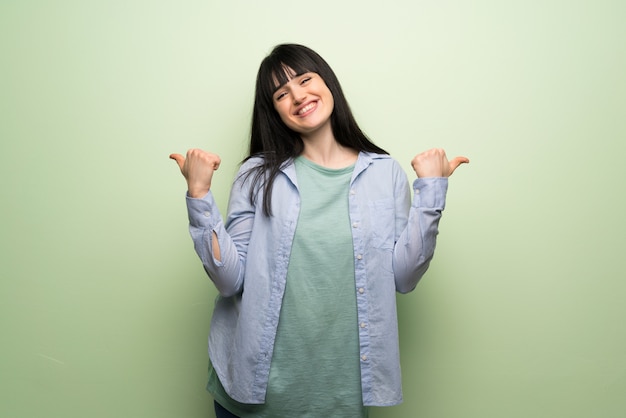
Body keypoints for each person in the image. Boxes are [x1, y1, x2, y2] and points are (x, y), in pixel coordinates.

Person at [170, 43, 468, 418]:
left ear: (327, 82)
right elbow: (230, 281)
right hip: (251, 389)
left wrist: (431, 192)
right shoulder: (256, 175)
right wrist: (198, 196)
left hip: (339, 394)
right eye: (281, 94)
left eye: (305, 79)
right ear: (274, 110)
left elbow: (404, 277)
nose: (298, 95)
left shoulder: (384, 173)